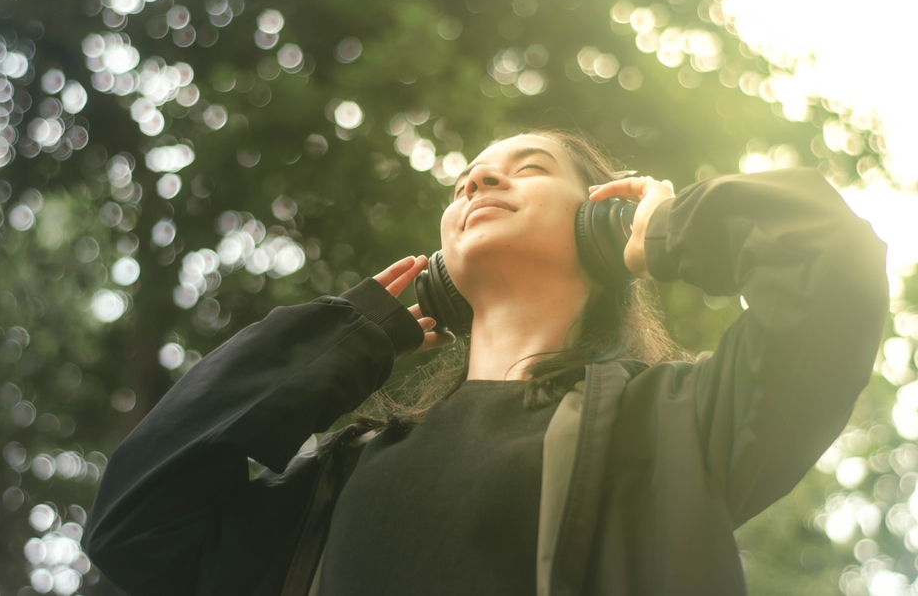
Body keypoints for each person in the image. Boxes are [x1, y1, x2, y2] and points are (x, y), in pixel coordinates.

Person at [82, 130, 889, 595]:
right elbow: (138, 523)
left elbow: (829, 269)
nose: (480, 176)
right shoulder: (337, 482)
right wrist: (350, 336)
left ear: (605, 223)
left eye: (530, 165)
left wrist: (673, 230)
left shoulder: (680, 426)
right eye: (469, 175)